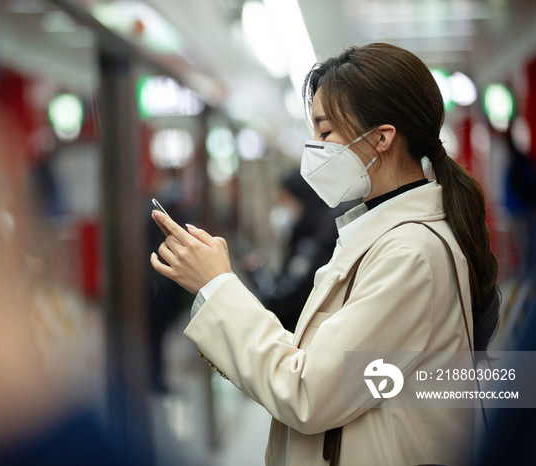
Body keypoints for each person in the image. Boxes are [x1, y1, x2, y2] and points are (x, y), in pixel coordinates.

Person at [150, 43, 500, 466]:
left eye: (326, 131)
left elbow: (310, 391)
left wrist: (218, 286)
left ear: (381, 139)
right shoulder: (380, 236)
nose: (314, 147)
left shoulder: (410, 255)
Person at [243, 172, 355, 332]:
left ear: (302, 197)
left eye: (285, 200)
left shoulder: (319, 242)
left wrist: (257, 272)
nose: (282, 208)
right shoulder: (303, 235)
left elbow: (281, 300)